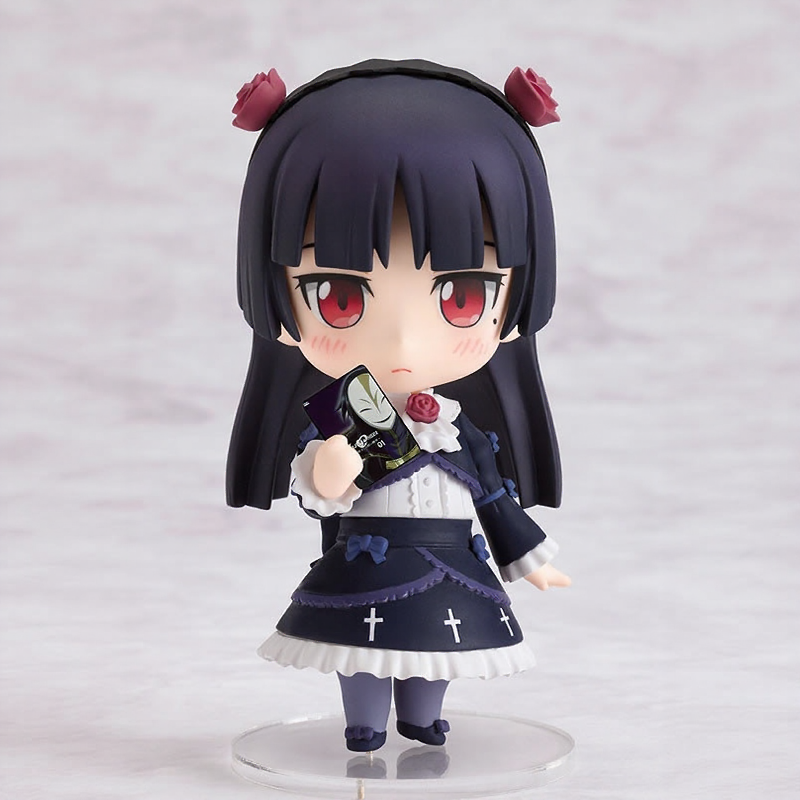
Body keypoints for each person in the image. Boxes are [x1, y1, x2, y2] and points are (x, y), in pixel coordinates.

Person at [227, 59, 571, 752]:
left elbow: (496, 501)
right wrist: (330, 469)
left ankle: (421, 716)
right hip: (366, 565)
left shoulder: (460, 433)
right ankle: (363, 724)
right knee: (359, 655)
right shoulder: (339, 418)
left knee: (434, 658)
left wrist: (531, 559)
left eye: (463, 296)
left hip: (452, 570)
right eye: (338, 297)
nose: (405, 343)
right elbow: (322, 491)